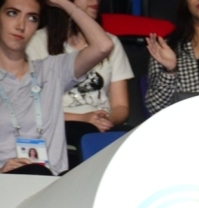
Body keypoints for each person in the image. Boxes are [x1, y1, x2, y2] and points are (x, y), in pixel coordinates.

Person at [0, 0, 113, 175]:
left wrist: (64, 3)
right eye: (12, 13)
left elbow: (103, 46)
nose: (21, 25)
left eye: (32, 18)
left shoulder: (51, 69)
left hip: (53, 184)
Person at [26, 0, 133, 148]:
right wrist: (83, 118)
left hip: (103, 125)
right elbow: (33, 109)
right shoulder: (35, 43)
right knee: (85, 132)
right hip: (60, 124)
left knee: (135, 136)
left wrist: (106, 121)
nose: (95, 1)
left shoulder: (111, 41)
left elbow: (121, 106)